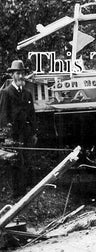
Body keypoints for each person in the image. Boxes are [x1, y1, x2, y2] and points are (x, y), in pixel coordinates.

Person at [0, 60, 37, 198]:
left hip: (26, 134)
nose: (21, 76)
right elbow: (3, 117)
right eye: (18, 73)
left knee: (27, 160)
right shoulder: (6, 93)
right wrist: (7, 138)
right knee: (16, 163)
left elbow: (32, 114)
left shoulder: (27, 94)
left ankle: (26, 193)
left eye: (22, 73)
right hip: (14, 135)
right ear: (12, 75)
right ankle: (17, 195)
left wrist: (34, 133)